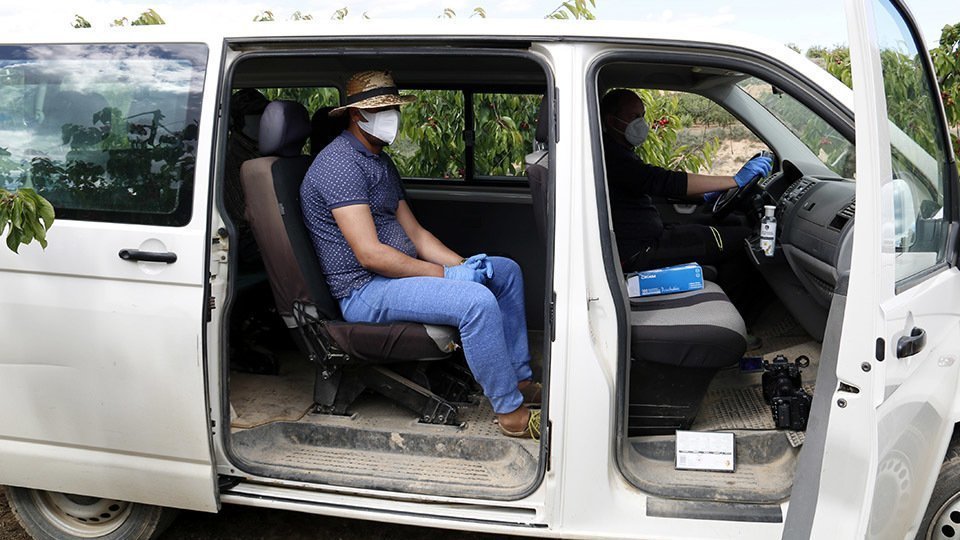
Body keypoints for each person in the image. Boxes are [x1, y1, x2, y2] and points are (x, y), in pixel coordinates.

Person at [301, 71, 541, 439]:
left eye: (393, 107)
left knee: (503, 271)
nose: (391, 116)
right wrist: (449, 278)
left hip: (397, 277)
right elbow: (370, 255)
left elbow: (416, 233)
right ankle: (510, 411)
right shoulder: (338, 165)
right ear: (355, 114)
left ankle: (518, 378)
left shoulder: (379, 162)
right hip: (366, 290)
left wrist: (463, 266)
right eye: (380, 109)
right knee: (475, 301)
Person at [601, 88, 771, 312]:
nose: (642, 123)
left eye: (642, 116)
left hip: (648, 239)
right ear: (612, 121)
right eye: (634, 117)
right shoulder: (611, 157)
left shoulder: (615, 150)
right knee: (744, 240)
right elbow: (662, 181)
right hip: (640, 251)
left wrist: (707, 194)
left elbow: (653, 183)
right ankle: (739, 320)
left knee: (734, 223)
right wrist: (734, 180)